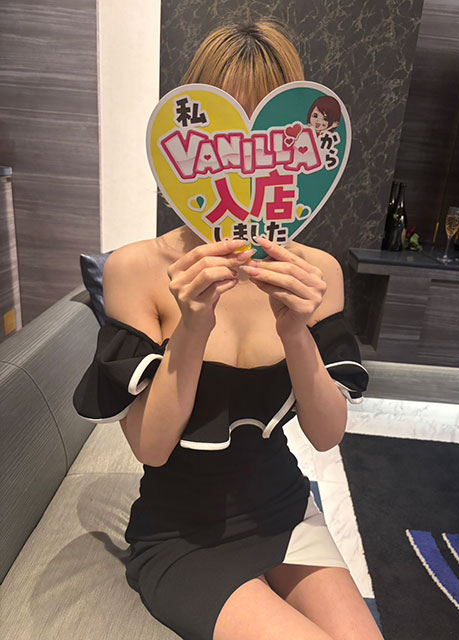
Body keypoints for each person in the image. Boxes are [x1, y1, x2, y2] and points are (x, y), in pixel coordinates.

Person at [73, 19, 382, 640]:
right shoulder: (138, 269)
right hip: (180, 531)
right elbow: (150, 448)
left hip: (283, 506)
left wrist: (297, 332)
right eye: (225, 138)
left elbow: (325, 435)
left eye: (265, 139)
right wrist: (191, 326)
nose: (243, 165)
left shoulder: (316, 272)